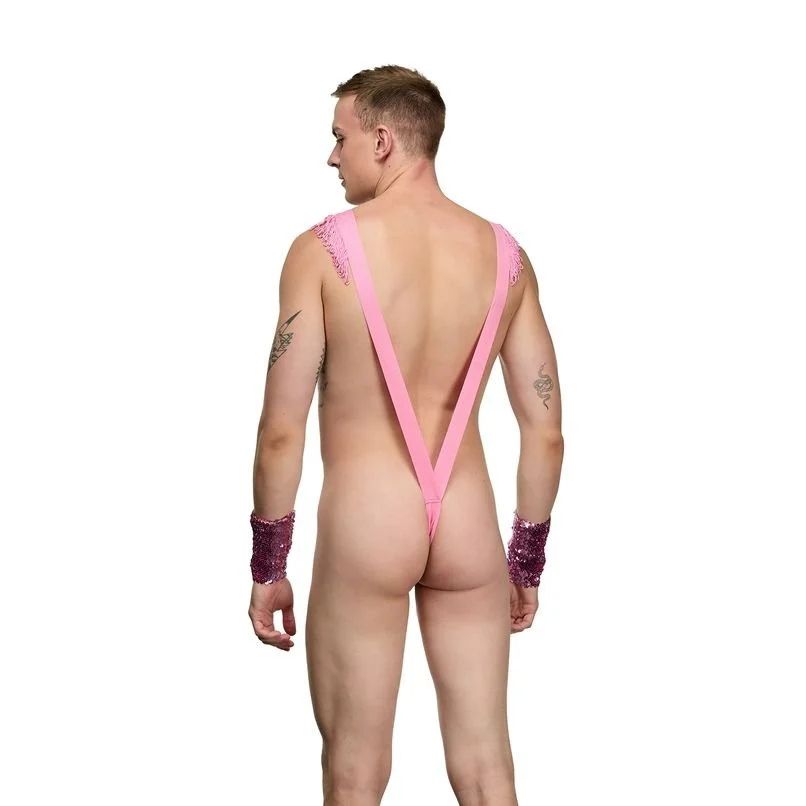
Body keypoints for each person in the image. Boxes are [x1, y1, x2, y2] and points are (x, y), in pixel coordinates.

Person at [247, 65, 564, 806]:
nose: (332, 157)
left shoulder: (321, 251)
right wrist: (526, 559)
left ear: (383, 140)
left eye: (341, 138)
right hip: (466, 524)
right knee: (487, 771)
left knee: (355, 773)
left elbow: (280, 432)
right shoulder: (506, 257)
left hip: (370, 520)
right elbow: (545, 431)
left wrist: (269, 561)